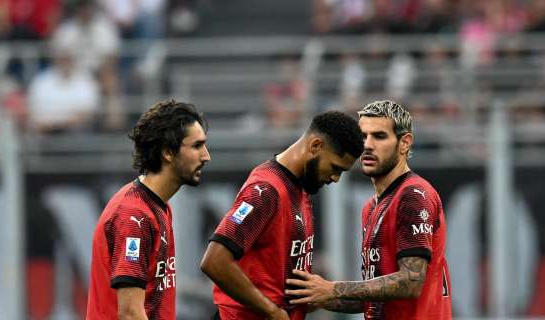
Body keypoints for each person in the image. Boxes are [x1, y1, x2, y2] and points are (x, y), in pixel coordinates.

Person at [285, 100, 452, 319]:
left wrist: (332, 288)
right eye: (363, 137)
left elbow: (411, 281)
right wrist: (318, 297)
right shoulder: (372, 207)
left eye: (379, 136)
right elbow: (377, 297)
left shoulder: (412, 196)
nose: (368, 145)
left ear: (404, 143)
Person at [200, 110, 364, 320]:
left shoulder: (301, 188)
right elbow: (215, 261)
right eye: (335, 168)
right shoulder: (266, 190)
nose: (335, 178)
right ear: (315, 146)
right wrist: (272, 311)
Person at [86, 100, 210, 319]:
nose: (206, 156)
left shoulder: (159, 207)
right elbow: (131, 313)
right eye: (196, 146)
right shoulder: (134, 216)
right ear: (168, 153)